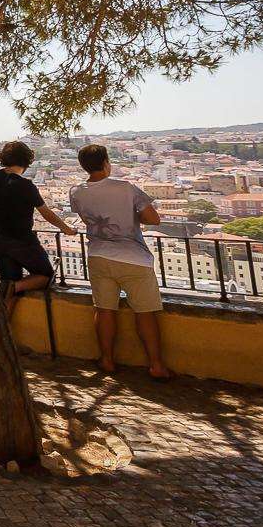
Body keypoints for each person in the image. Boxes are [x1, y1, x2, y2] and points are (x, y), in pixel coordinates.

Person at [70, 144, 173, 380]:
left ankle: (106, 359)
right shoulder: (126, 188)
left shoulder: (76, 192)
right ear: (106, 163)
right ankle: (156, 365)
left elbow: (86, 218)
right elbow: (153, 219)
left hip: (98, 255)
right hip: (133, 257)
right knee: (145, 313)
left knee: (104, 310)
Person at [0, 141, 78, 317]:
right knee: (46, 276)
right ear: (27, 161)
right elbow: (46, 213)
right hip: (23, 240)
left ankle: (3, 326)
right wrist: (66, 229)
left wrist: (0, 224)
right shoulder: (26, 186)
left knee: (9, 288)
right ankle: (14, 286)